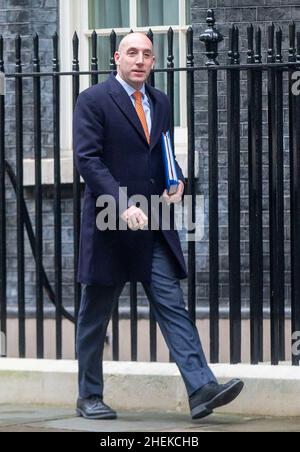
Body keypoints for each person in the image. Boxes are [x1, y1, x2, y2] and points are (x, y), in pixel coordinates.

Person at [73, 32, 244, 421]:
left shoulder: (160, 101)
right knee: (95, 314)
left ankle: (201, 388)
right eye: (132, 52)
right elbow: (88, 160)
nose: (140, 60)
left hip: (153, 224)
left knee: (172, 306)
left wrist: (177, 178)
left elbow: (162, 152)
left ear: (153, 62)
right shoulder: (94, 100)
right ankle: (89, 396)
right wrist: (120, 205)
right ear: (117, 57)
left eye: (147, 54)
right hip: (109, 224)